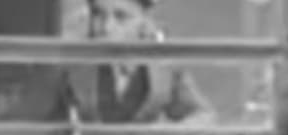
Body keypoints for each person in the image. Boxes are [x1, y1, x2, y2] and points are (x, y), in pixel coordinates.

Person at [64, 0, 211, 124]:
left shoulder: (163, 65)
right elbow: (46, 125)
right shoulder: (71, 65)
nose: (106, 28)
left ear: (144, 20)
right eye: (98, 15)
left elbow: (203, 116)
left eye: (121, 17)